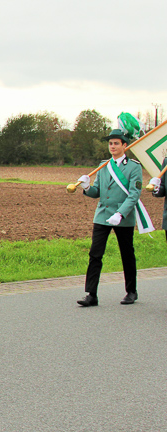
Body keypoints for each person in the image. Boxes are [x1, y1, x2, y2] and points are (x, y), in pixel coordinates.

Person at [76, 128, 143, 307]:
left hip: (123, 216)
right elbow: (97, 191)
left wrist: (120, 213)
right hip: (103, 215)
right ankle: (91, 295)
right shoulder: (104, 166)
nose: (112, 146)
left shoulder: (134, 167)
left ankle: (131, 291)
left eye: (116, 143)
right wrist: (87, 187)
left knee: (127, 254)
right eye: (110, 143)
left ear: (124, 145)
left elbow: (134, 194)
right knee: (95, 254)